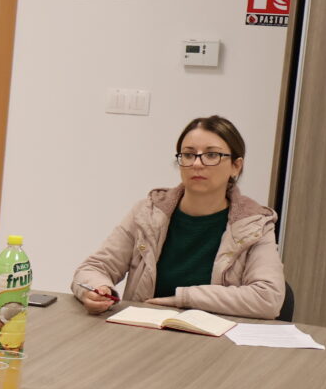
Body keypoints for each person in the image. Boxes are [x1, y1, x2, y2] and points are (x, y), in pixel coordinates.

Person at [72, 115, 284, 319]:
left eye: (212, 155)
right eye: (189, 155)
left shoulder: (255, 223)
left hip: (214, 336)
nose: (197, 164)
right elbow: (93, 268)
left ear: (236, 166)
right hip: (142, 331)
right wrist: (97, 289)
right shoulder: (148, 213)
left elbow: (268, 298)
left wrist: (184, 299)